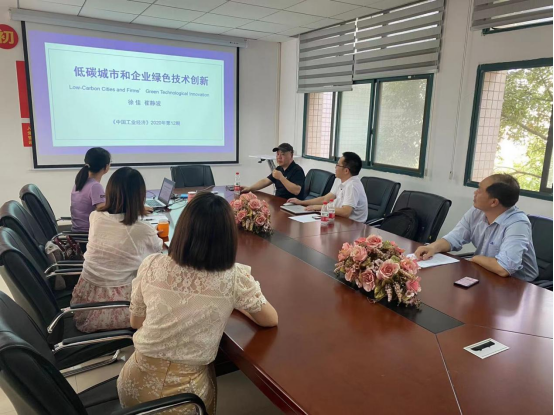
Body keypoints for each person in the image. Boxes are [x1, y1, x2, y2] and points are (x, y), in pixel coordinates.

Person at [117, 193, 278, 414]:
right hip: (185, 399)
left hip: (133, 386)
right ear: (228, 237)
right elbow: (270, 319)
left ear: (183, 229)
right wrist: (236, 301)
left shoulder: (152, 264)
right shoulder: (234, 278)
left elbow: (136, 322)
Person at [71, 167, 163, 333]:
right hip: (115, 308)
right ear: (140, 196)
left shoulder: (95, 217)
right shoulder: (141, 229)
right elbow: (157, 254)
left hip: (85, 302)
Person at [415, 174, 539, 282]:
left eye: (480, 190)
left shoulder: (518, 224)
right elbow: (455, 238)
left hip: (519, 285)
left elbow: (503, 268)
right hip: (488, 274)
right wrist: (432, 247)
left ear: (494, 202)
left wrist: (475, 258)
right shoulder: (477, 211)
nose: (475, 192)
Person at [288, 152, 368, 223]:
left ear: (346, 171)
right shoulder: (339, 180)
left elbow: (346, 212)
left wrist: (319, 208)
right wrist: (301, 202)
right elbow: (325, 199)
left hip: (352, 225)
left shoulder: (352, 186)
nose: (335, 167)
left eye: (338, 165)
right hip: (337, 219)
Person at [71, 147, 111, 232]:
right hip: (88, 233)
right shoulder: (95, 186)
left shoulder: (79, 182)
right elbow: (104, 212)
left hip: (77, 232)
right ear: (106, 167)